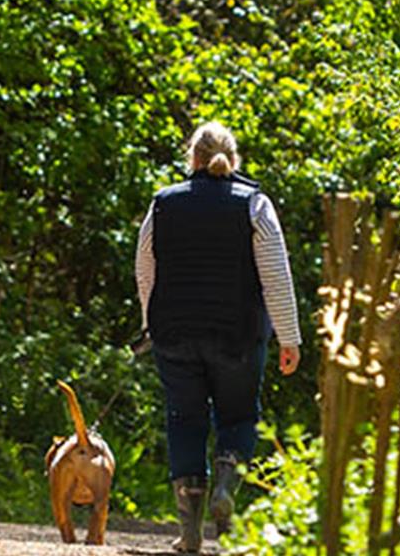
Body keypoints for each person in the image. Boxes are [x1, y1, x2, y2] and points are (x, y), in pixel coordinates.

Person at [134, 122, 302, 552]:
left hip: (174, 332)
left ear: (191, 158)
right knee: (239, 417)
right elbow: (275, 275)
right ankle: (226, 487)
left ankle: (189, 534)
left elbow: (145, 266)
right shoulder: (254, 204)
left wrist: (152, 324)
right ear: (234, 158)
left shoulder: (163, 204)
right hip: (237, 335)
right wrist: (289, 337)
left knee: (183, 419)